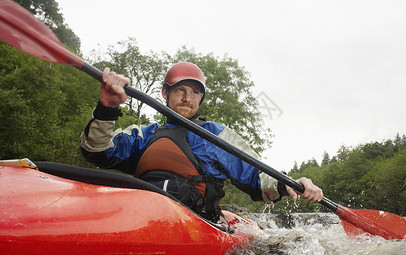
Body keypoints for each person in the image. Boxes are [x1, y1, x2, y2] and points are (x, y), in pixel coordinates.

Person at [80, 62, 323, 222]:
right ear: (165, 93)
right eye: (180, 90)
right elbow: (96, 151)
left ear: (201, 97)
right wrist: (107, 107)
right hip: (142, 217)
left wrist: (288, 184)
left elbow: (257, 177)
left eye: (194, 92)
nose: (187, 98)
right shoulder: (145, 135)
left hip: (198, 222)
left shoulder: (215, 136)